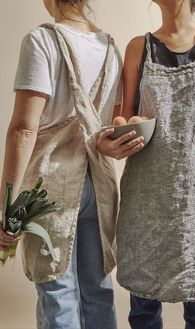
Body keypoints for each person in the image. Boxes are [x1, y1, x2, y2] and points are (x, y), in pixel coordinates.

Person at [0, 1, 144, 328]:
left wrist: (8, 206)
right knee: (97, 293)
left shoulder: (41, 41)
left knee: (58, 292)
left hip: (51, 189)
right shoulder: (110, 47)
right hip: (101, 186)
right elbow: (110, 122)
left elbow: (24, 129)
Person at [97, 0, 195, 328]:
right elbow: (127, 113)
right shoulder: (137, 47)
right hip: (146, 196)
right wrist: (126, 125)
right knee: (144, 308)